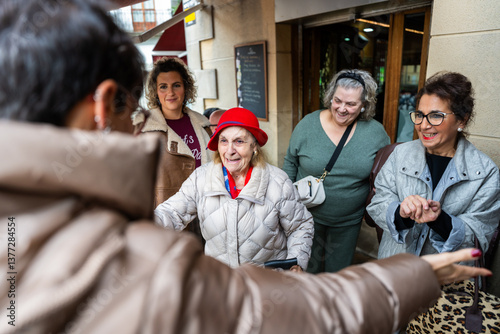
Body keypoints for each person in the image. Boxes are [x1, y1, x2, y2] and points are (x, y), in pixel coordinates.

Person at [0, 1, 493, 333]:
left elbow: (302, 224)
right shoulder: (191, 192)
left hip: (287, 264)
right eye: (135, 111)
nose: (233, 149)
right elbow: (300, 310)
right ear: (106, 104)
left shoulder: (281, 180)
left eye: (242, 141)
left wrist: (299, 264)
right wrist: (416, 273)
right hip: (236, 283)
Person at [155, 107, 314, 271]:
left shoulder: (277, 183)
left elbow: (301, 226)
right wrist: (142, 222)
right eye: (224, 141)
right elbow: (171, 213)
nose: (230, 151)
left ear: (254, 146)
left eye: (239, 141)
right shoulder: (201, 178)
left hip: (265, 283)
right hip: (221, 283)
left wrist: (296, 262)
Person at [366, 71, 500, 260]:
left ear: (462, 120)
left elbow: (480, 238)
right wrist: (401, 212)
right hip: (395, 271)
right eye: (420, 115)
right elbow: (377, 204)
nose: (424, 125)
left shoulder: (485, 173)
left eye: (436, 116)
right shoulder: (400, 154)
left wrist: (440, 220)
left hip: (446, 279)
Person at [283, 69, 390, 273]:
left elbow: (385, 174)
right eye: (337, 100)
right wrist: (286, 206)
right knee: (305, 271)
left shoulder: (376, 133)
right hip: (306, 217)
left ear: (364, 105)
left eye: (351, 104)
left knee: (338, 275)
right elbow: (290, 163)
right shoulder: (307, 125)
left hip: (348, 222)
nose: (342, 109)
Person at [134, 56, 212, 206]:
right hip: (166, 213)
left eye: (176, 85)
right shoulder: (143, 129)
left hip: (204, 209)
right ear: (155, 91)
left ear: (185, 88)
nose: (170, 92)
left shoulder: (203, 124)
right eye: (163, 86)